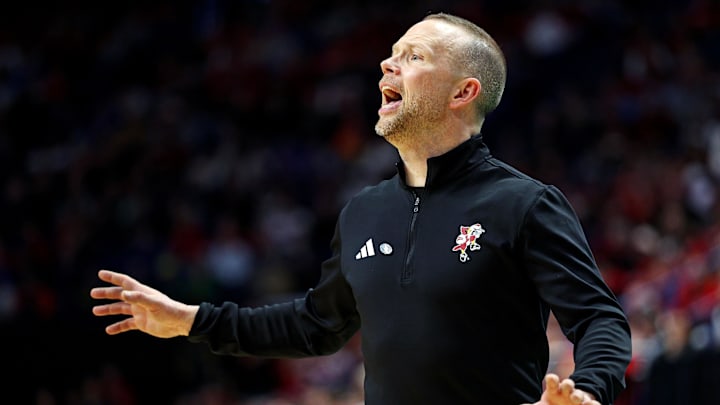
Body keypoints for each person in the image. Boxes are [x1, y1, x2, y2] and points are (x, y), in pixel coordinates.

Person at [91, 12, 631, 405]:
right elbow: (315, 325)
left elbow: (600, 319)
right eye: (391, 54)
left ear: (463, 91)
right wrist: (191, 320)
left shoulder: (524, 204)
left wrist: (586, 394)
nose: (386, 64)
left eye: (413, 57)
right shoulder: (362, 213)